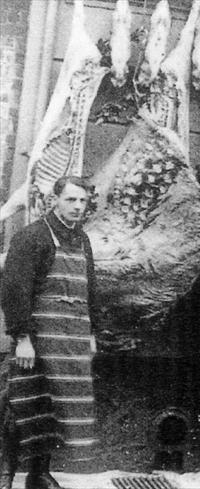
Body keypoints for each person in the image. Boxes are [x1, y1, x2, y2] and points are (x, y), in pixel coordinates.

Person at [1, 176, 99, 489]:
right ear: (54, 199)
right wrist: (23, 339)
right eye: (71, 200)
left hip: (70, 341)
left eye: (82, 201)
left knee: (53, 407)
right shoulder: (33, 236)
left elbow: (90, 291)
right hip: (37, 340)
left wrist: (91, 334)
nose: (77, 207)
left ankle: (39, 474)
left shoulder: (82, 240)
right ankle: (5, 473)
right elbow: (15, 290)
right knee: (22, 403)